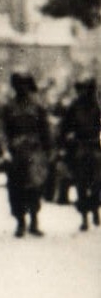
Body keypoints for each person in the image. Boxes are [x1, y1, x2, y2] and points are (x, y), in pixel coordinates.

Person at [1, 71, 52, 238]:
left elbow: (45, 130)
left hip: (34, 152)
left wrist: (49, 150)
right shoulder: (8, 107)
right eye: (18, 85)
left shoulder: (38, 106)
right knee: (16, 189)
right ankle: (20, 221)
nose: (21, 88)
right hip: (16, 153)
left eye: (24, 84)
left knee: (35, 187)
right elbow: (3, 131)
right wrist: (5, 150)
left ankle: (34, 221)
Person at [59, 76, 101, 232]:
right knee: (81, 184)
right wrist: (67, 140)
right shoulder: (74, 107)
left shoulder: (98, 106)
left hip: (96, 146)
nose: (84, 92)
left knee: (97, 183)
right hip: (80, 147)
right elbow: (64, 129)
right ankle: (84, 217)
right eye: (82, 88)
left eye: (87, 88)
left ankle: (95, 208)